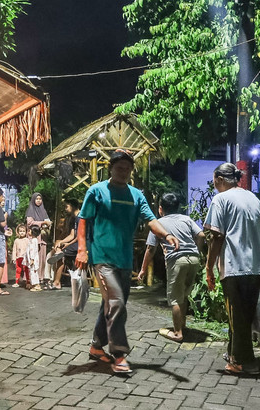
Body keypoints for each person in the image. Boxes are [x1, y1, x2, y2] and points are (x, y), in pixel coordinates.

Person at [75, 150, 179, 374]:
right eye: (119, 168)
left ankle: (96, 347)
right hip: (101, 257)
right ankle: (119, 354)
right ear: (110, 168)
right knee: (116, 304)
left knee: (111, 304)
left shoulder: (136, 195)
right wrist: (82, 249)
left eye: (127, 169)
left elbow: (151, 220)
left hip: (124, 259)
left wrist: (167, 235)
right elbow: (83, 219)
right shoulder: (97, 191)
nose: (123, 172)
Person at [204, 162, 260, 375]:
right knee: (244, 316)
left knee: (236, 316)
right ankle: (233, 354)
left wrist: (209, 267)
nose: (214, 186)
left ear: (220, 180)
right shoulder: (254, 199)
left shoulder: (221, 199)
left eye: (214, 182)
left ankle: (244, 363)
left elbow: (217, 236)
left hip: (235, 266)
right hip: (256, 266)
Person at [138, 193, 205, 342]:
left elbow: (150, 249)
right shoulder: (186, 219)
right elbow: (201, 235)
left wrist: (143, 269)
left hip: (177, 260)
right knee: (184, 295)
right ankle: (183, 326)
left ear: (160, 209)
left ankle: (178, 333)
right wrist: (197, 252)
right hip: (193, 259)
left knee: (175, 298)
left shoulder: (158, 223)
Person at [52, 199, 81, 290]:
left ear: (72, 206)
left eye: (67, 206)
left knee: (60, 254)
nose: (65, 209)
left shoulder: (81, 217)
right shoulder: (74, 218)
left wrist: (67, 244)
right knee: (59, 248)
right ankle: (56, 281)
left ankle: (56, 282)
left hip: (82, 243)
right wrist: (61, 241)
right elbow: (72, 235)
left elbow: (79, 236)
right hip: (75, 242)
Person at [26, 193, 52, 287]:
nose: (38, 200)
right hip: (34, 237)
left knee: (41, 259)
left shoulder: (43, 210)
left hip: (43, 237)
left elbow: (47, 220)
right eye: (36, 199)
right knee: (33, 257)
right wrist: (42, 223)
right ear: (33, 200)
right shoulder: (31, 210)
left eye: (40, 199)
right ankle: (31, 279)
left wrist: (48, 223)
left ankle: (40, 278)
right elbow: (30, 223)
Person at [11, 224, 30, 288]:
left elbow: (29, 249)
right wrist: (14, 258)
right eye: (20, 231)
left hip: (25, 258)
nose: (22, 233)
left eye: (23, 231)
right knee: (18, 270)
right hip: (18, 258)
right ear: (18, 232)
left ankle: (28, 282)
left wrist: (30, 257)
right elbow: (14, 250)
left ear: (26, 232)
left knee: (26, 270)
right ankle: (17, 282)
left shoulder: (27, 240)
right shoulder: (16, 240)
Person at [25, 225, 42, 292]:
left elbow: (33, 250)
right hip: (33, 259)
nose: (28, 232)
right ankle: (33, 284)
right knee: (32, 272)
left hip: (33, 259)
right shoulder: (33, 240)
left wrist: (32, 259)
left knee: (33, 272)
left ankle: (36, 284)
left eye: (29, 230)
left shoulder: (34, 240)